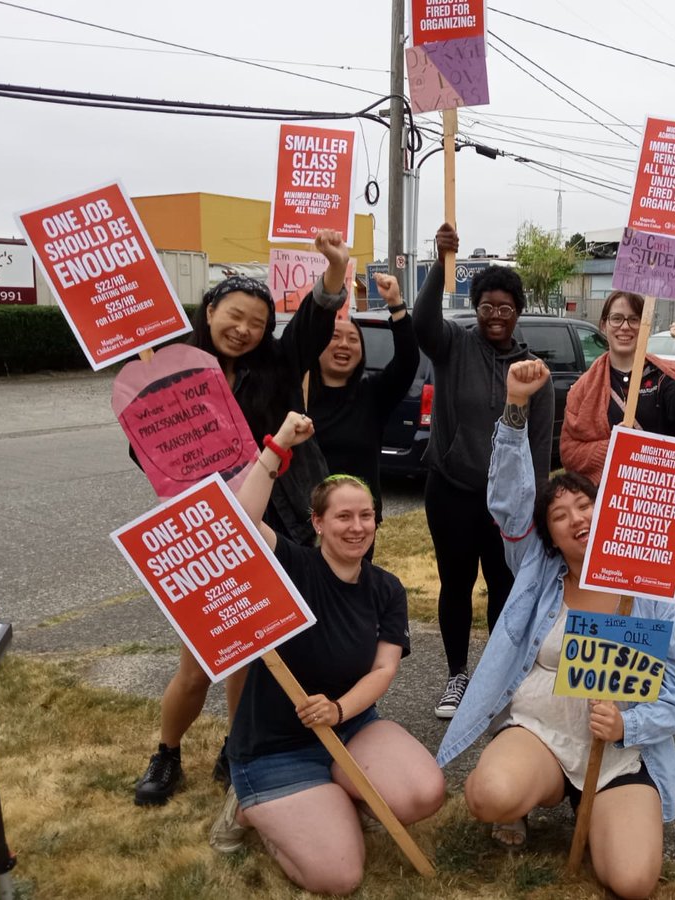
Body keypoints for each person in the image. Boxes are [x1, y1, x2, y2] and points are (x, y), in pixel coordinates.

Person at [436, 360, 675, 900]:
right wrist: (516, 406)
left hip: (618, 750)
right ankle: (540, 791)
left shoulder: (650, 594)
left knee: (632, 882)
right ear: (548, 537)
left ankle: (595, 804)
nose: (577, 518)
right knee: (489, 795)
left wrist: (627, 724)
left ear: (607, 512)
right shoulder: (537, 572)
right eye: (560, 516)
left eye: (586, 505)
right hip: (544, 730)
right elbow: (508, 499)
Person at [134, 231, 350, 806]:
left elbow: (314, 322)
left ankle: (237, 747)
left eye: (257, 322)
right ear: (209, 312)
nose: (244, 329)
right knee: (198, 660)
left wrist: (334, 270)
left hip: (278, 523)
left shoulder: (279, 364)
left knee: (252, 654)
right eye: (234, 316)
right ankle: (167, 752)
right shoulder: (171, 372)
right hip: (205, 530)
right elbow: (145, 450)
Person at [208, 411, 445, 894]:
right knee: (338, 876)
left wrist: (338, 710)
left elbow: (383, 670)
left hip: (350, 726)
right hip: (275, 746)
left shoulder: (386, 588)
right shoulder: (290, 565)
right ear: (317, 522)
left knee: (425, 794)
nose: (357, 527)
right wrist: (277, 447)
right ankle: (248, 807)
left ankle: (338, 791)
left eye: (366, 516)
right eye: (343, 516)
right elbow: (238, 523)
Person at [413, 223, 555, 718]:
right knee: (455, 585)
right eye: (487, 307)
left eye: (506, 308)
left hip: (508, 506)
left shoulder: (534, 373)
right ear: (476, 309)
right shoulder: (453, 346)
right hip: (451, 490)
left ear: (518, 312)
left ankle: (497, 679)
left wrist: (537, 507)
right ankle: (457, 675)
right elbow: (422, 322)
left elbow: (540, 446)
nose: (496, 316)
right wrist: (440, 262)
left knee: (504, 589)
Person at [560, 290, 675, 596]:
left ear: (645, 325)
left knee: (654, 599)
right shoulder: (585, 387)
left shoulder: (662, 376)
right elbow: (568, 451)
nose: (625, 327)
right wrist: (612, 449)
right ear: (604, 325)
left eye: (633, 319)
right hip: (608, 510)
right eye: (617, 318)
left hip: (656, 512)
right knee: (609, 595)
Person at [305, 272, 420, 531]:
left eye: (353, 339)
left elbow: (407, 362)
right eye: (334, 337)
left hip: (357, 524)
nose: (344, 344)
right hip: (305, 522)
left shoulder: (372, 395)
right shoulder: (295, 396)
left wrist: (396, 306)